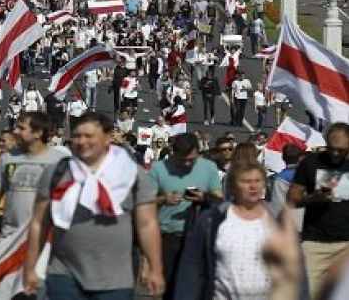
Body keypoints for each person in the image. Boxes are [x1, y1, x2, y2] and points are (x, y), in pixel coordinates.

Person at [23, 112, 165, 299]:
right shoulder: (57, 172)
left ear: (107, 138)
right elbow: (39, 223)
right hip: (63, 274)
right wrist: (30, 267)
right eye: (77, 136)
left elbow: (147, 224)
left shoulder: (132, 174)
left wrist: (155, 268)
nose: (82, 141)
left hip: (115, 280)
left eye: (89, 136)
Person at [175, 160, 297, 299]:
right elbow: (192, 263)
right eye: (246, 181)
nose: (253, 186)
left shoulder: (278, 219)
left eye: (257, 181)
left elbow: (295, 266)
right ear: (233, 186)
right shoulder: (212, 219)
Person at [148, 132, 224, 299]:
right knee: (170, 288)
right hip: (170, 236)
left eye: (192, 159)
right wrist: (163, 200)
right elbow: (145, 202)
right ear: (173, 153)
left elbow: (220, 201)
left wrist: (204, 198)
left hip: (199, 236)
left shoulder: (209, 167)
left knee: (199, 288)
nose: (188, 164)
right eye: (183, 160)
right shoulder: (158, 168)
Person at [287, 122, 349, 299]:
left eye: (341, 150)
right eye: (331, 148)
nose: (335, 153)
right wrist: (313, 198)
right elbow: (291, 199)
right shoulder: (311, 163)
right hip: (315, 244)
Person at [0, 111, 67, 237]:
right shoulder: (7, 158)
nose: (15, 132)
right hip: (10, 235)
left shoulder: (59, 160)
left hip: (46, 236)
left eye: (21, 128)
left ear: (38, 133)